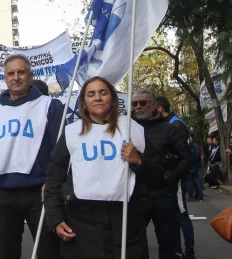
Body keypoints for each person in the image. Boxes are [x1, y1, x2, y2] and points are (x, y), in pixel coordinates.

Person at [45, 77, 165, 258]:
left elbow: (158, 177)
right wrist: (55, 219)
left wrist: (138, 161)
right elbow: (54, 179)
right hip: (82, 223)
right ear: (84, 103)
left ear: (113, 99)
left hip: (126, 222)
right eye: (91, 94)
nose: (97, 98)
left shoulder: (133, 130)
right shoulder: (71, 133)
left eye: (103, 93)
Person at [0, 54, 63, 259]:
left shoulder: (49, 106)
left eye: (21, 72)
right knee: (7, 253)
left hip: (39, 193)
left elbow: (59, 149)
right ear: (5, 78)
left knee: (48, 252)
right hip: (1, 194)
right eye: (11, 73)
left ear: (30, 75)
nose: (16, 77)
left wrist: (52, 184)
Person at [132, 89, 191, 259]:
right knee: (134, 246)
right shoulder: (127, 129)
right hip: (135, 199)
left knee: (167, 246)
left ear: (154, 106)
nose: (138, 107)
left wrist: (169, 176)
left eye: (143, 103)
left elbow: (187, 159)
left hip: (163, 197)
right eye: (135, 103)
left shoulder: (169, 129)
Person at [155, 96, 195, 259]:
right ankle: (177, 251)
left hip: (176, 179)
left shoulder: (175, 124)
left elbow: (182, 155)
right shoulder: (171, 123)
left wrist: (172, 173)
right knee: (173, 216)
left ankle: (188, 252)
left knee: (181, 214)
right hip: (170, 178)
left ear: (158, 108)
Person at [186, 134, 204, 201]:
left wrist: (191, 162)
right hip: (196, 165)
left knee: (190, 181)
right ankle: (198, 196)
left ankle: (191, 195)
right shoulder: (197, 145)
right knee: (197, 181)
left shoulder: (193, 145)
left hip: (193, 166)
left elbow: (195, 155)